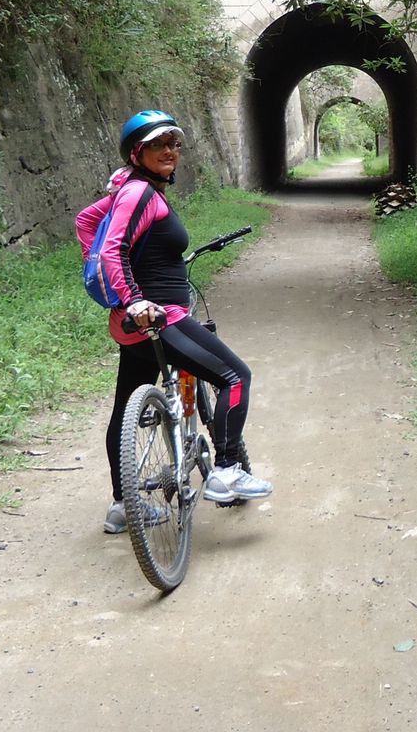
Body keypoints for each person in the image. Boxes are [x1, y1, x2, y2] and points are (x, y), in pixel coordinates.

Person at [75, 109, 272, 534]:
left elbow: (86, 221)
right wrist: (134, 299)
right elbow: (113, 250)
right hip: (160, 317)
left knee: (124, 408)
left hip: (134, 327)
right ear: (137, 152)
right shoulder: (140, 194)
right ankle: (225, 470)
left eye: (175, 144)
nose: (170, 152)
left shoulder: (129, 190)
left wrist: (102, 270)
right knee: (235, 376)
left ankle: (123, 505)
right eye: (159, 145)